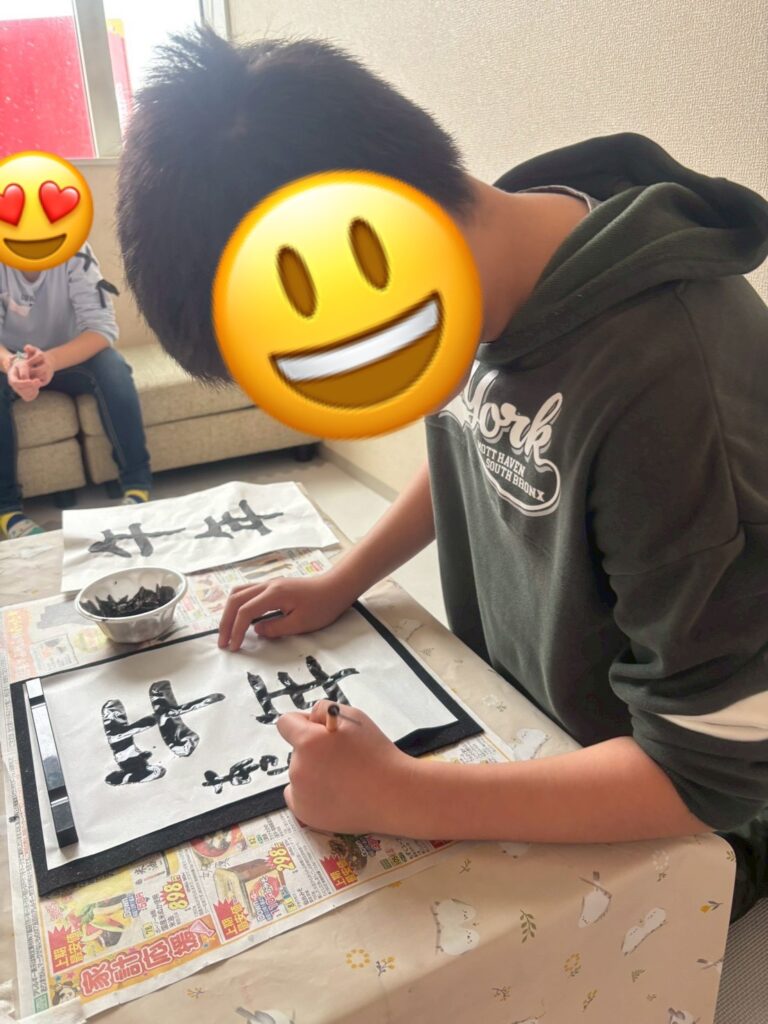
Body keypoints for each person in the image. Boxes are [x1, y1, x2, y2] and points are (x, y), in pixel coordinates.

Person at [116, 29, 768, 922]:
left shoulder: (671, 385)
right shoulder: (482, 266)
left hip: (674, 823)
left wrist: (402, 796)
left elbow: (711, 771)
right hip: (537, 725)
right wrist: (343, 577)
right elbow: (479, 437)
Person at [0, 243, 153, 538]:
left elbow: (102, 330)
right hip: (12, 362)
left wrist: (51, 361)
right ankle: (7, 510)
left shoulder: (75, 251)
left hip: (69, 356)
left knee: (114, 368)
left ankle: (137, 486)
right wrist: (12, 364)